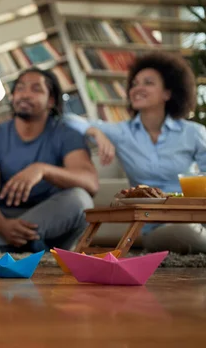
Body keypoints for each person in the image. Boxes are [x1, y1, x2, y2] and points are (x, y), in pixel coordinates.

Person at [65, 51, 206, 254]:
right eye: (135, 83)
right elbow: (68, 120)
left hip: (196, 216)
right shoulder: (121, 132)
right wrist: (93, 130)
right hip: (157, 227)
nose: (137, 88)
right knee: (186, 233)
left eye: (148, 83)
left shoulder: (193, 133)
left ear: (168, 93)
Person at [0, 68, 98, 253]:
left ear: (51, 101)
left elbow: (90, 183)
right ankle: (19, 243)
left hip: (47, 215)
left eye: (36, 89)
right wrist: (3, 226)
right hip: (2, 215)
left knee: (80, 200)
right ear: (12, 96)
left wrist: (42, 169)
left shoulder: (67, 134)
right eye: (20, 89)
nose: (25, 95)